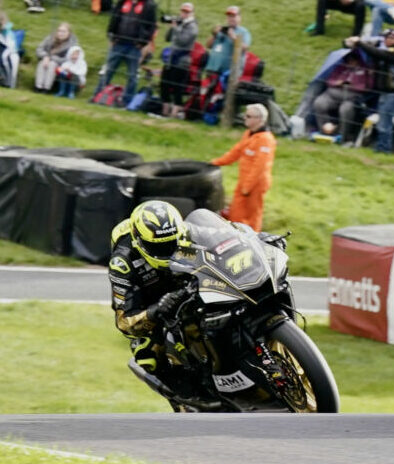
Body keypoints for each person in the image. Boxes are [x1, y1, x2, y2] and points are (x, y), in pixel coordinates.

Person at [109, 201, 197, 400]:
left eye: (171, 244)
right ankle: (189, 400)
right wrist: (156, 310)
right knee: (146, 354)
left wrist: (256, 240)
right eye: (159, 247)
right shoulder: (122, 262)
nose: (167, 251)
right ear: (139, 242)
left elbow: (222, 235)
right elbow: (124, 322)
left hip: (189, 280)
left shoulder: (182, 231)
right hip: (152, 300)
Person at [211, 104, 277, 229]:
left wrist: (248, 186)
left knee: (253, 215)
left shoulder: (266, 139)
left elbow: (260, 166)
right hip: (244, 181)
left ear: (259, 119)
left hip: (256, 184)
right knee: (236, 212)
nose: (244, 118)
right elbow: (236, 152)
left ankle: (255, 240)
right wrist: (217, 162)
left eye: (248, 116)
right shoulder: (248, 134)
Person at [92, 0, 157, 102]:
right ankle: (97, 96)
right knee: (108, 71)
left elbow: (151, 26)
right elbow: (114, 19)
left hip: (134, 46)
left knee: (132, 76)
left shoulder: (149, 5)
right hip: (119, 43)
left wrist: (143, 43)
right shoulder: (122, 0)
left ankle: (128, 102)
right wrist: (111, 35)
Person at [34, 22, 78, 93]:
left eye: (63, 31)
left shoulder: (72, 44)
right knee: (42, 63)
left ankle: (46, 88)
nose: (61, 33)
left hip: (61, 64)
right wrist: (45, 56)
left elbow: (68, 59)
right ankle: (38, 87)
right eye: (59, 31)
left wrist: (50, 57)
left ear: (69, 33)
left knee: (52, 64)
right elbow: (39, 49)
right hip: (46, 59)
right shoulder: (50, 38)